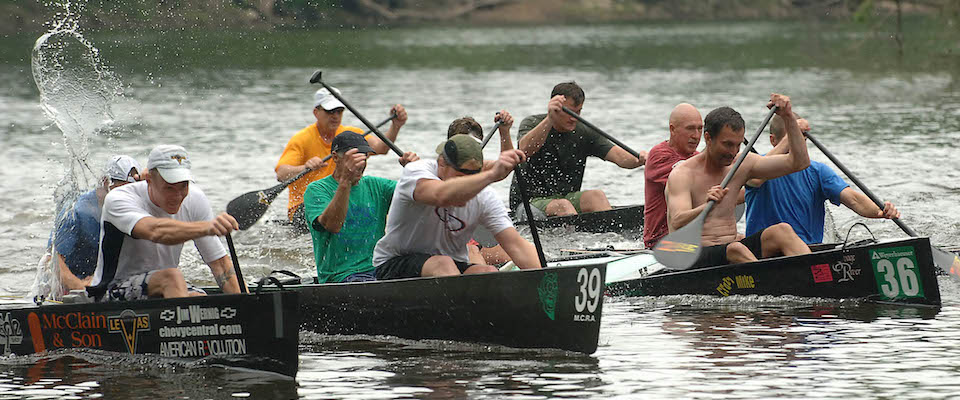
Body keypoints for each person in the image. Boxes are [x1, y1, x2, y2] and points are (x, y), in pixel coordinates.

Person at [665, 94, 812, 268]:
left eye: (738, 144)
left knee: (782, 231)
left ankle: (815, 273)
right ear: (708, 138)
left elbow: (799, 163)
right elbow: (677, 221)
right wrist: (706, 205)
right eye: (727, 144)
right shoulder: (683, 174)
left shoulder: (742, 163)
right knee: (735, 249)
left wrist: (788, 118)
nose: (733, 152)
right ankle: (772, 282)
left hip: (729, 249)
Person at [373, 135, 541, 279]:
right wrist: (491, 175)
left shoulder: (485, 196)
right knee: (443, 264)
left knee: (487, 272)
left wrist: (549, 279)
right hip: (394, 263)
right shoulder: (417, 171)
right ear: (441, 164)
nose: (468, 189)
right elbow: (442, 196)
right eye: (459, 177)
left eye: (473, 177)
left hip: (449, 266)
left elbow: (516, 245)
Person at [89, 145, 242, 301]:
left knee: (197, 298)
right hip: (112, 290)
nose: (177, 196)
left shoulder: (195, 198)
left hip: (164, 285)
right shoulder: (119, 198)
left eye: (183, 186)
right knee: (172, 277)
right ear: (149, 180)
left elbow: (220, 265)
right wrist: (208, 227)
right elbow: (156, 231)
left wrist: (247, 306)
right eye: (169, 187)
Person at [744, 116, 900, 244]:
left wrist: (880, 211)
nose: (798, 146)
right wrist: (793, 131)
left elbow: (853, 199)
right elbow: (756, 179)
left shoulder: (817, 171)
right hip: (763, 255)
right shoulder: (755, 164)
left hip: (809, 252)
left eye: (801, 140)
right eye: (793, 139)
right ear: (773, 140)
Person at [275, 86, 408, 230]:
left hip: (341, 195)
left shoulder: (350, 135)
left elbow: (381, 148)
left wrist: (395, 126)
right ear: (316, 112)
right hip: (307, 204)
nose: (335, 116)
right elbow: (281, 174)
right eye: (330, 111)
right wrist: (305, 167)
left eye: (339, 111)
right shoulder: (301, 139)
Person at [509, 81, 647, 217]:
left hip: (566, 198)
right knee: (563, 205)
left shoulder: (583, 132)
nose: (574, 118)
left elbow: (618, 156)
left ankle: (611, 237)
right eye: (569, 112)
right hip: (528, 202)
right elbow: (525, 150)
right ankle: (575, 237)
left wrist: (641, 159)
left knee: (596, 196)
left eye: (578, 111)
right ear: (555, 107)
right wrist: (550, 119)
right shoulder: (531, 123)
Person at [303, 132, 419, 283]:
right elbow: (333, 225)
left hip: (380, 268)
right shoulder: (317, 190)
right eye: (354, 157)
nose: (361, 163)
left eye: (364, 156)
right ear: (335, 157)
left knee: (435, 264)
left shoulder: (377, 186)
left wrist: (415, 171)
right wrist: (345, 181)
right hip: (342, 275)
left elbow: (421, 195)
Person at [49, 155, 141, 292]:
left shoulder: (135, 208)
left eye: (133, 191)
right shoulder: (77, 211)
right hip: (74, 280)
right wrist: (79, 286)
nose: (128, 198)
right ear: (106, 182)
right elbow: (51, 260)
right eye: (124, 191)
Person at [446, 112, 514, 265]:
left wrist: (505, 132)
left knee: (520, 253)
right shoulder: (439, 171)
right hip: (445, 245)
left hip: (475, 238)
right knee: (473, 254)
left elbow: (506, 167)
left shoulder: (481, 168)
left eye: (474, 147)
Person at [643, 103, 703, 249]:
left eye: (700, 128)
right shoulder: (659, 155)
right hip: (659, 242)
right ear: (672, 129)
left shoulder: (697, 158)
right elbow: (698, 185)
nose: (696, 136)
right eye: (690, 129)